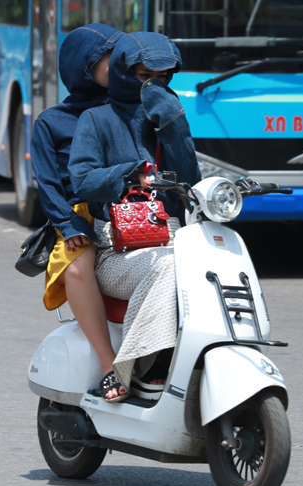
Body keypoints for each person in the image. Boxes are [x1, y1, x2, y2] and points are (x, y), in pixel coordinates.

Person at [67, 32, 202, 400]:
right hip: (118, 250)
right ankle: (135, 366)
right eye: (145, 78)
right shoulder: (96, 120)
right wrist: (127, 174)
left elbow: (192, 179)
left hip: (177, 239)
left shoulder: (169, 116)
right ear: (125, 73)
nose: (154, 87)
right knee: (168, 266)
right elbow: (81, 179)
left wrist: (174, 127)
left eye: (163, 80)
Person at [30, 24, 126, 402]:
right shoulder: (50, 122)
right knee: (77, 268)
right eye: (110, 58)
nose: (121, 65)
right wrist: (69, 224)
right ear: (84, 66)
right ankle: (108, 365)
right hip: (78, 216)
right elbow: (48, 184)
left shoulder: (130, 109)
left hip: (128, 211)